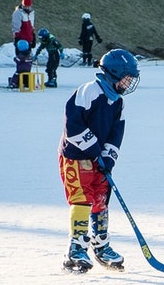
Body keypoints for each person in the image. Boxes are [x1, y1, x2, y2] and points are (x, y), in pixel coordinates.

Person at [58, 49, 140, 272]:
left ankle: (100, 245)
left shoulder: (118, 101)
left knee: (101, 198)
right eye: (127, 77)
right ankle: (76, 247)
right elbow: (73, 126)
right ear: (114, 73)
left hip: (98, 159)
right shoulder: (89, 91)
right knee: (82, 198)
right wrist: (95, 150)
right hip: (76, 156)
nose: (129, 82)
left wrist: (108, 158)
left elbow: (116, 133)